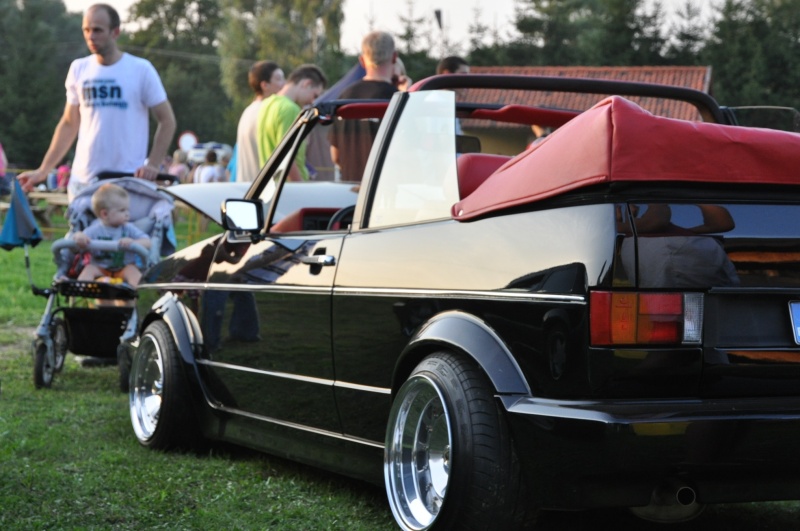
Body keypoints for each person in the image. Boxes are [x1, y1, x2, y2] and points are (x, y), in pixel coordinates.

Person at [17, 3, 176, 202]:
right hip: (84, 181)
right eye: (86, 30)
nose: (91, 36)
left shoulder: (141, 69)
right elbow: (69, 123)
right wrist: (43, 170)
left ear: (115, 32)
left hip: (125, 181)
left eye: (98, 30)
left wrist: (153, 164)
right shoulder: (79, 68)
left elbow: (167, 120)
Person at [329, 31, 399, 182]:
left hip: (351, 189)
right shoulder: (398, 99)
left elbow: (335, 156)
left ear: (362, 60)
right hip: (386, 189)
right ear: (394, 57)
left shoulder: (344, 97)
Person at [72, 183, 151, 287]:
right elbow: (76, 245)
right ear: (105, 214)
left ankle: (138, 291)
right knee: (89, 269)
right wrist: (79, 237)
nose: (127, 214)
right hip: (100, 268)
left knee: (133, 271)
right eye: (122, 210)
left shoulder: (128, 228)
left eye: (127, 210)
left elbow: (148, 242)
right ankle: (81, 289)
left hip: (124, 268)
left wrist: (133, 242)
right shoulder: (94, 230)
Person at [257, 64, 327, 182]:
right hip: (289, 187)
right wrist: (299, 184)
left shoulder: (266, 104)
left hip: (271, 184)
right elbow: (286, 156)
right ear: (307, 84)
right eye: (314, 95)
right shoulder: (291, 109)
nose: (312, 101)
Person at [235, 61, 285, 183]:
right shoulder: (269, 112)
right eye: (279, 79)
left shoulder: (247, 111)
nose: (284, 84)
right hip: (263, 187)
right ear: (265, 85)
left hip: (247, 185)